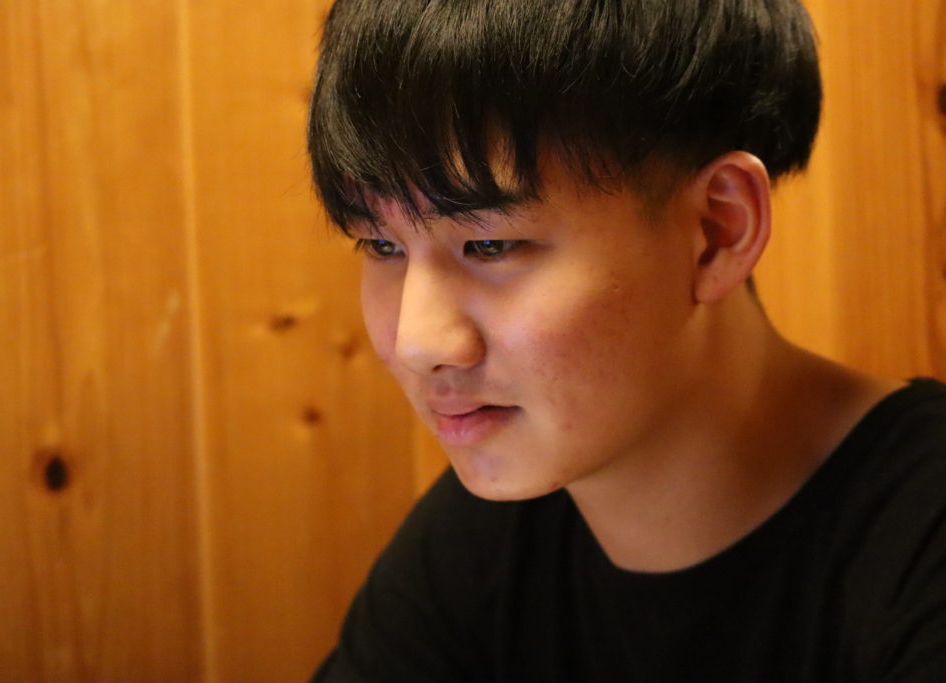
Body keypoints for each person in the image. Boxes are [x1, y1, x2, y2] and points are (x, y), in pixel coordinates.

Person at [306, 1, 946, 680]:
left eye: (490, 244)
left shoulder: (920, 537)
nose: (418, 341)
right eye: (381, 245)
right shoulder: (480, 543)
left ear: (716, 231)